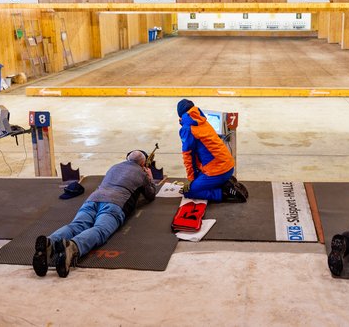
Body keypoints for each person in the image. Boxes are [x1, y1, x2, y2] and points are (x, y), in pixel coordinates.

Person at [32, 150, 156, 278]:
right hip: (114, 204)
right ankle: (72, 248)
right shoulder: (141, 173)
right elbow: (150, 195)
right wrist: (149, 178)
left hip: (92, 200)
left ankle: (50, 242)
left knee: (76, 225)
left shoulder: (114, 167)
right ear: (143, 163)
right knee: (100, 229)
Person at [177, 99, 247, 202]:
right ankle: (225, 182)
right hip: (228, 166)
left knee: (189, 191)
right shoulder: (202, 121)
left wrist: (191, 180)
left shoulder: (188, 128)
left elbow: (188, 155)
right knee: (198, 180)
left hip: (218, 170)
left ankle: (224, 193)